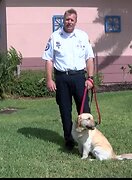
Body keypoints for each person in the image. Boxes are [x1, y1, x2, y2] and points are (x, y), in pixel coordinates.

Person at [42, 8, 95, 150]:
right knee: (65, 110)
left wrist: (90, 78)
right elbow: (48, 60)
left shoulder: (83, 36)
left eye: (72, 20)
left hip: (79, 78)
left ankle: (86, 141)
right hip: (61, 78)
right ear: (63, 20)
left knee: (84, 111)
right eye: (67, 19)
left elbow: (89, 58)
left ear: (76, 21)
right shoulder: (55, 37)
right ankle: (69, 140)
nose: (69, 22)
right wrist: (49, 79)